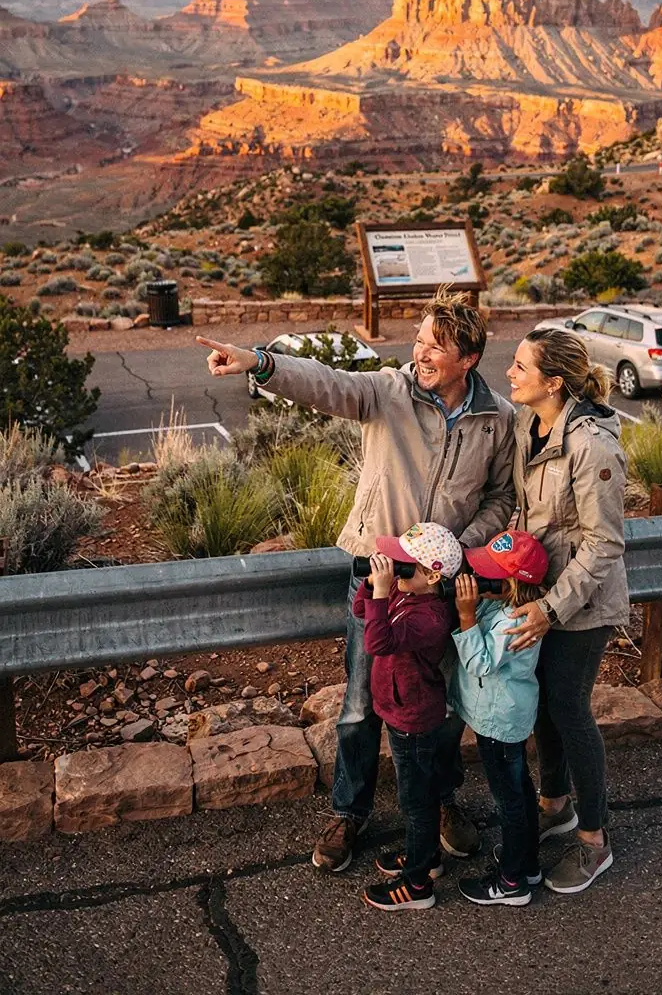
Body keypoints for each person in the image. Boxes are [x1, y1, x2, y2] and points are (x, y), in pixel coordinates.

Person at [197, 289, 516, 873]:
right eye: (418, 339)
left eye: (435, 345)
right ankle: (350, 812)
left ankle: (443, 802)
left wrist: (456, 548)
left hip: (439, 584)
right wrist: (261, 362)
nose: (420, 352)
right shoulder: (388, 392)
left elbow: (500, 497)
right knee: (361, 703)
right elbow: (326, 382)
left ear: (467, 359)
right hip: (375, 577)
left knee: (440, 702)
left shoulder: (497, 418)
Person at [505, 327, 628, 895]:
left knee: (569, 708)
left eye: (521, 366)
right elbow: (534, 517)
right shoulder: (532, 428)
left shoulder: (592, 446)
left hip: (582, 604)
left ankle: (594, 842)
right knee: (544, 709)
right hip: (543, 597)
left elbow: (604, 545)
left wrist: (550, 610)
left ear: (553, 382)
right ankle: (554, 805)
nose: (510, 373)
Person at [355, 523, 463, 911]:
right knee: (418, 796)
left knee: (415, 801)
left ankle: (418, 886)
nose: (395, 569)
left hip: (413, 719)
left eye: (405, 565)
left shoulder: (431, 616)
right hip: (400, 710)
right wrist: (373, 586)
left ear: (432, 576)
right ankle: (427, 858)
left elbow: (377, 642)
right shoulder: (406, 594)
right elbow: (360, 611)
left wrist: (383, 592)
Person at [449, 529, 550, 908]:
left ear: (509, 584)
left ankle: (510, 882)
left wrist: (465, 615)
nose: (478, 577)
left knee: (509, 799)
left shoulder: (513, 622)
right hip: (508, 716)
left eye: (488, 572)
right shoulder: (508, 606)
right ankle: (526, 863)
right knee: (520, 789)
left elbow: (480, 662)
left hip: (498, 722)